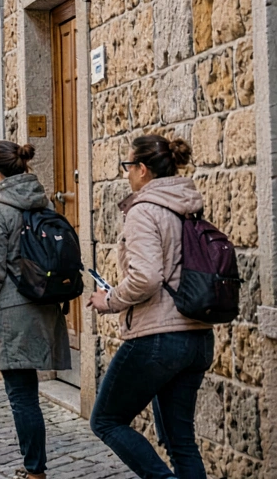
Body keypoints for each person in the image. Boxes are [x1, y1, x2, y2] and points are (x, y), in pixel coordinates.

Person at [89, 135, 213, 479]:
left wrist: (108, 300)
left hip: (158, 338)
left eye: (128, 166)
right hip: (197, 336)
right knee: (180, 442)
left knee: (106, 421)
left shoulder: (144, 210)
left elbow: (146, 278)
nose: (126, 174)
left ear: (142, 169)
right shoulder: (188, 205)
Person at [0, 141, 70, 479]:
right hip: (44, 304)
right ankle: (33, 467)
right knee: (27, 394)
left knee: (22, 396)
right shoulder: (42, 201)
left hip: (12, 313)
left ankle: (35, 471)